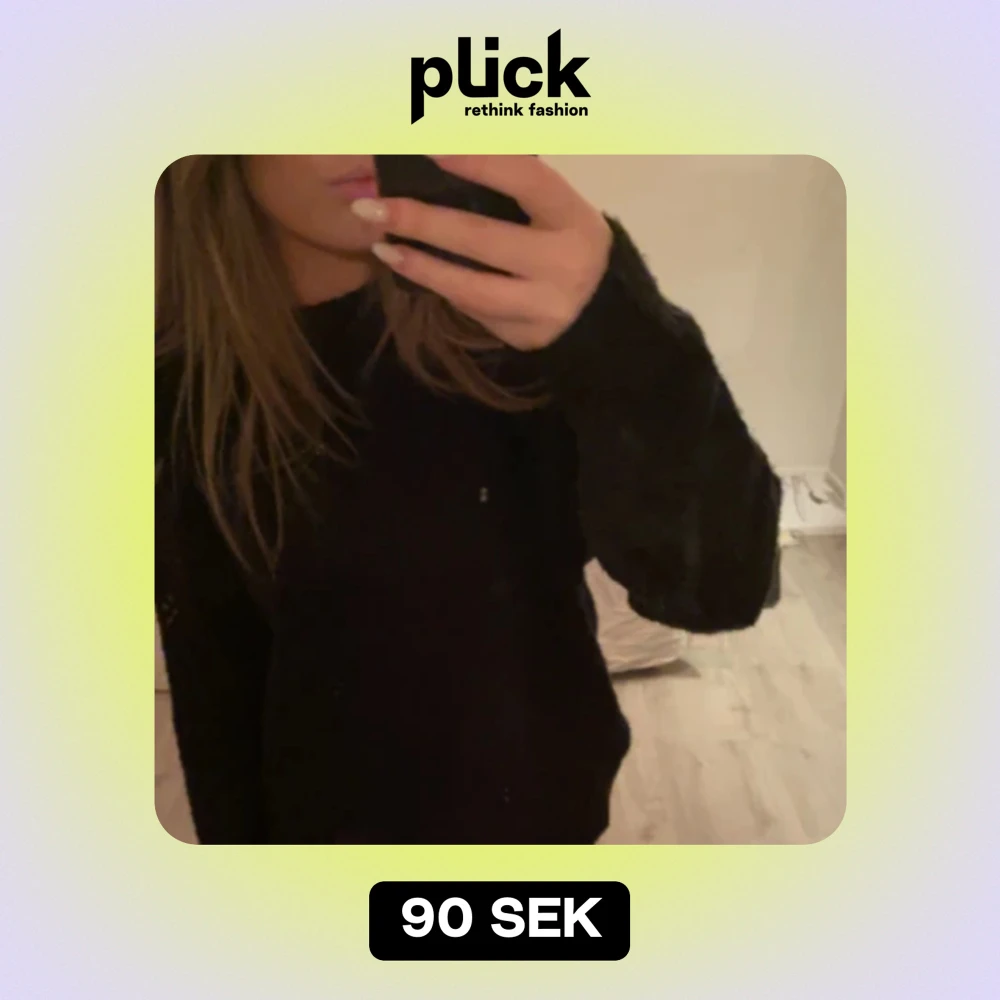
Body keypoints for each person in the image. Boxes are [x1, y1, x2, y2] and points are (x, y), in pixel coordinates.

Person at [155, 154, 781, 846]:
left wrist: (624, 333)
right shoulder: (181, 380)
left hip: (537, 829)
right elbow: (216, 686)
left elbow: (716, 589)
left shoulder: (519, 323)